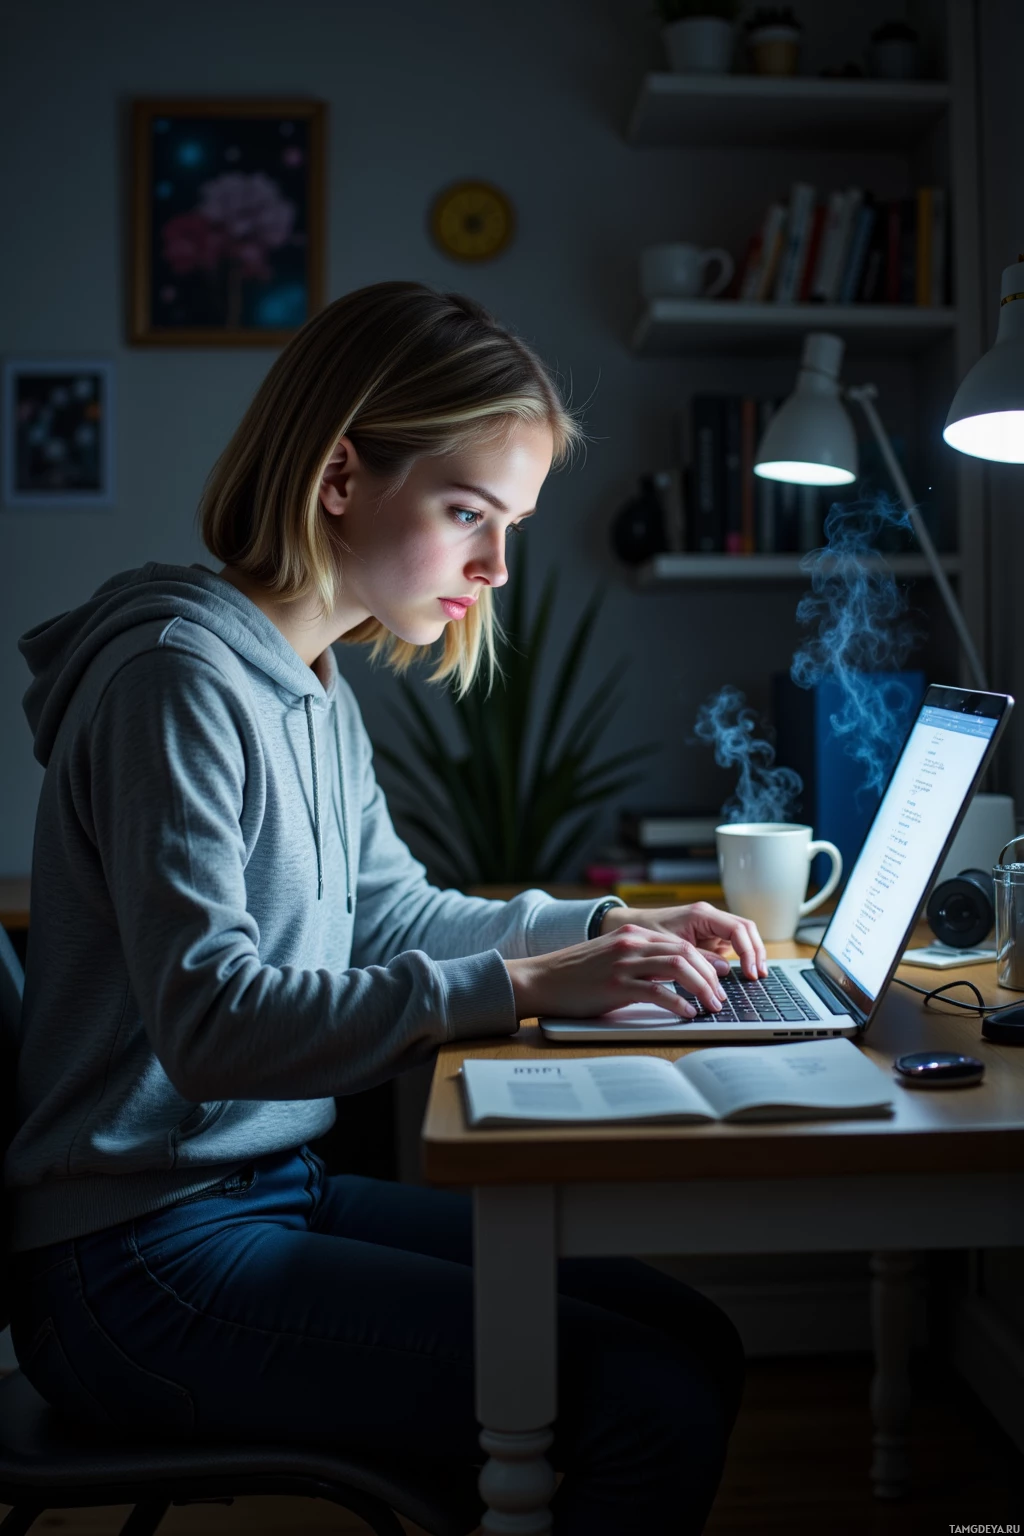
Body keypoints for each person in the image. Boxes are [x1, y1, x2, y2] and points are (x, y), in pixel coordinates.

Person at [6, 282, 764, 1535]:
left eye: (509, 523)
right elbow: (211, 1025)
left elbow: (391, 916)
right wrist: (520, 990)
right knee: (650, 1402)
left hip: (258, 1200)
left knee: (689, 1334)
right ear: (341, 475)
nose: (496, 568)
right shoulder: (175, 684)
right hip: (137, 1266)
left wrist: (603, 933)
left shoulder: (306, 680)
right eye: (469, 511)